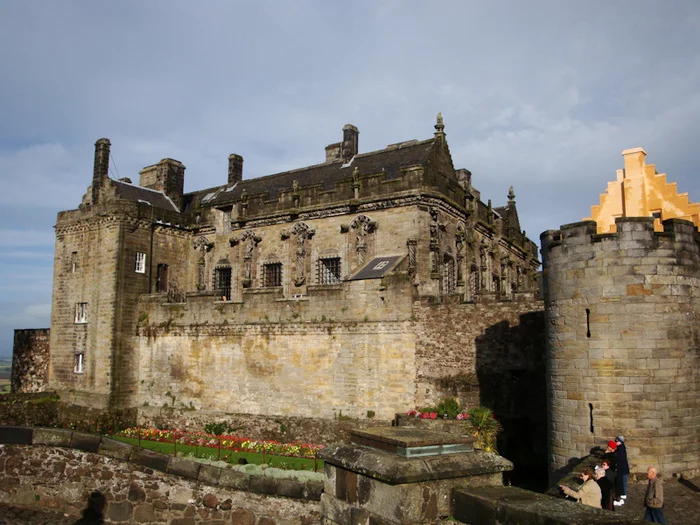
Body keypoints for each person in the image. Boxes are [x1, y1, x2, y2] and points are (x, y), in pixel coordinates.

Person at [614, 435, 630, 504]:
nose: (615, 442)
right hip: (624, 468)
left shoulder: (620, 449)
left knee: (622, 481)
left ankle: (622, 494)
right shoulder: (621, 447)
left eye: (616, 441)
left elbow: (620, 459)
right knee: (623, 481)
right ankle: (623, 493)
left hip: (622, 468)